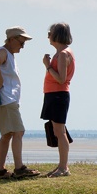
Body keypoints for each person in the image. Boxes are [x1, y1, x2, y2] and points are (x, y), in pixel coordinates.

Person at [0, 27, 40, 179]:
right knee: (18, 132)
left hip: (6, 101)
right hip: (7, 100)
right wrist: (0, 81)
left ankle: (0, 171)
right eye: (21, 42)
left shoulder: (9, 54)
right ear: (12, 39)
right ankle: (19, 168)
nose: (23, 46)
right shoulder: (3, 52)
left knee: (7, 135)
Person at [42, 22, 76, 178]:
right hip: (53, 94)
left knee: (60, 132)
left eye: (50, 33)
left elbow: (61, 79)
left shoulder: (63, 54)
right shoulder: (61, 53)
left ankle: (64, 167)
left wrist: (48, 66)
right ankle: (61, 166)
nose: (48, 35)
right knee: (57, 131)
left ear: (57, 35)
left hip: (58, 94)